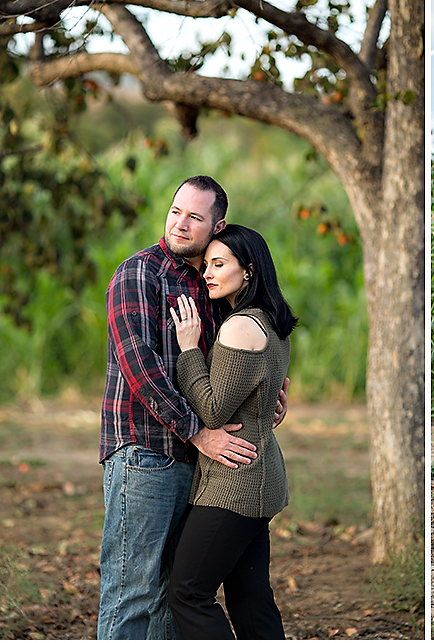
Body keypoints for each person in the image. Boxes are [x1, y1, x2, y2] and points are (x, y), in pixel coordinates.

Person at [97, 176, 288, 639]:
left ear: (216, 224)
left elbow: (234, 362)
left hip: (200, 462)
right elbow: (139, 365)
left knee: (167, 595)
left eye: (195, 217)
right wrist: (198, 431)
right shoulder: (140, 272)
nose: (180, 223)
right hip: (147, 452)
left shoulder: (210, 283)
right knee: (134, 591)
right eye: (176, 210)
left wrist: (267, 393)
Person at [167, 224, 297, 639]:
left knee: (188, 593)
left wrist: (189, 349)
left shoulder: (240, 327)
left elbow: (212, 409)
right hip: (260, 474)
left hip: (234, 483)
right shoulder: (271, 323)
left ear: (249, 270)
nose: (207, 272)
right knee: (250, 596)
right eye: (206, 264)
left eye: (219, 264)